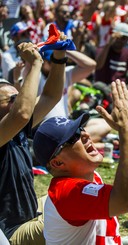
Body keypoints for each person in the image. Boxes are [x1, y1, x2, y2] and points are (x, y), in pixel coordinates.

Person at [32, 80, 128, 244]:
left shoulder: (90, 175)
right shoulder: (67, 194)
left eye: (80, 129)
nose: (85, 134)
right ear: (57, 163)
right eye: (73, 137)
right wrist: (127, 129)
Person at [0, 42, 66, 244]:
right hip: (11, 233)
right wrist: (35, 63)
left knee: (82, 192)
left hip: (30, 216)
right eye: (13, 98)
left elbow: (50, 96)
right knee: (73, 216)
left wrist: (58, 57)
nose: (20, 100)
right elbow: (21, 113)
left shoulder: (17, 129)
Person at [95, 22, 128, 92]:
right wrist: (108, 44)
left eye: (123, 38)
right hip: (103, 88)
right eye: (117, 37)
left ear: (127, 40)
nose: (120, 40)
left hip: (120, 89)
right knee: (99, 85)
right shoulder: (102, 50)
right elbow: (98, 66)